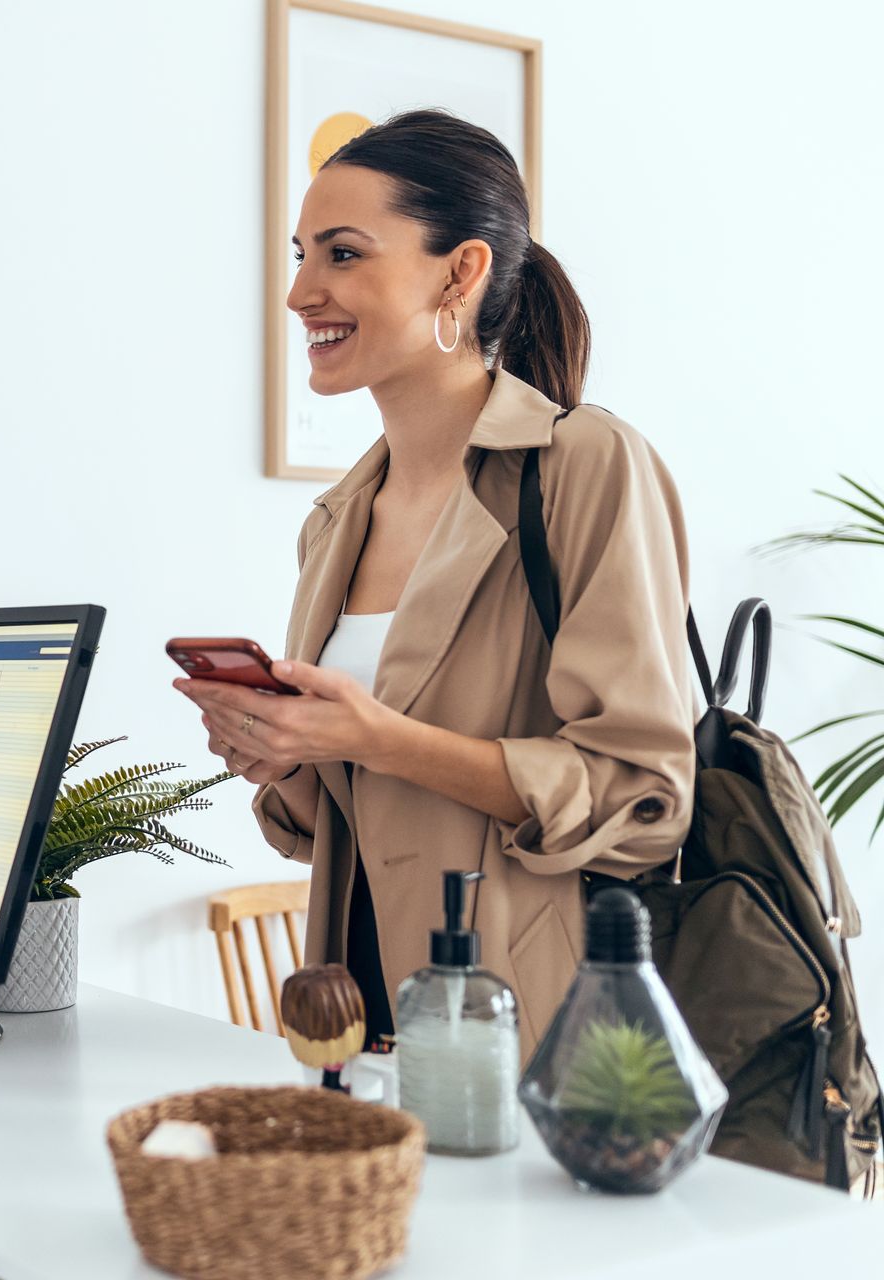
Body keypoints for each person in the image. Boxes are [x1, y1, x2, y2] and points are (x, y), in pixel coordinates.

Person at [175, 110, 695, 1061]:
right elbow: (327, 821)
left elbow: (641, 794)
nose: (299, 292)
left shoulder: (585, 464)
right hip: (361, 1021)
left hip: (534, 1024)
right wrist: (286, 753)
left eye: (341, 253)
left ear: (460, 274)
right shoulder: (336, 520)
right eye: (300, 254)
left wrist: (381, 739)